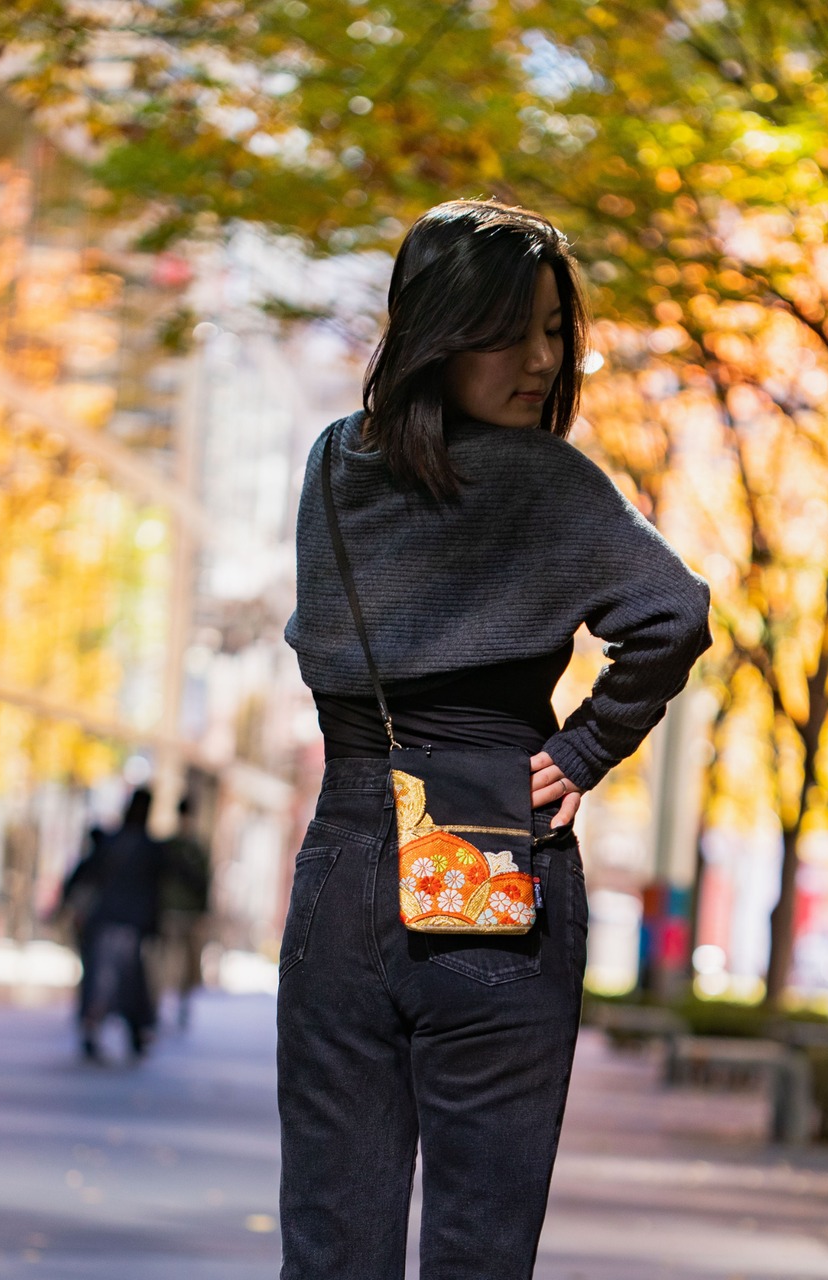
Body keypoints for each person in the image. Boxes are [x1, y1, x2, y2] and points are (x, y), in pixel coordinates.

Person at [279, 199, 711, 1280]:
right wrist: (584, 749)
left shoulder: (332, 464)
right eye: (509, 331)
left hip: (344, 857)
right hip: (490, 849)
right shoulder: (544, 480)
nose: (542, 359)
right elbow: (674, 611)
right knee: (479, 1248)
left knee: (329, 1247)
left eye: (554, 331)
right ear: (439, 331)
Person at [61, 787, 164, 1061]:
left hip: (105, 920)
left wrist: (66, 900)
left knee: (103, 978)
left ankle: (94, 1026)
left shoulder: (111, 840)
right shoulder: (150, 849)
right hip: (129, 923)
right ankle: (133, 1031)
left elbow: (83, 872)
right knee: (127, 980)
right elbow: (155, 892)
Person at [158, 793, 212, 1028]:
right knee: (168, 962)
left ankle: (180, 1005)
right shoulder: (175, 847)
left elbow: (204, 883)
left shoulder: (193, 848)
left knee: (185, 964)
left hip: (186, 913)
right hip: (171, 912)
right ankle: (164, 1006)